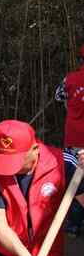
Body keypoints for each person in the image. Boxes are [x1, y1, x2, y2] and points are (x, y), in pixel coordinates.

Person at [0, 120, 84, 256]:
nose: (9, 168)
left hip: (47, 251)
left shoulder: (63, 163)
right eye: (4, 158)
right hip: (5, 249)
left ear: (35, 149)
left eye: (16, 160)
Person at [54, 44, 84, 236]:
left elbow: (59, 96)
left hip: (74, 138)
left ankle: (73, 227)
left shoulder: (70, 79)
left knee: (76, 183)